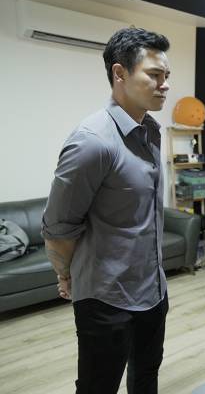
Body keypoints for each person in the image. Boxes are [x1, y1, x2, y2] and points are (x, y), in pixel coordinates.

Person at [41, 27, 171, 394]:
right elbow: (58, 228)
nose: (164, 85)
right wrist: (66, 275)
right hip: (106, 299)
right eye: (154, 75)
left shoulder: (151, 130)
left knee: (146, 378)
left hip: (153, 290)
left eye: (166, 75)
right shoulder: (92, 142)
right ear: (120, 73)